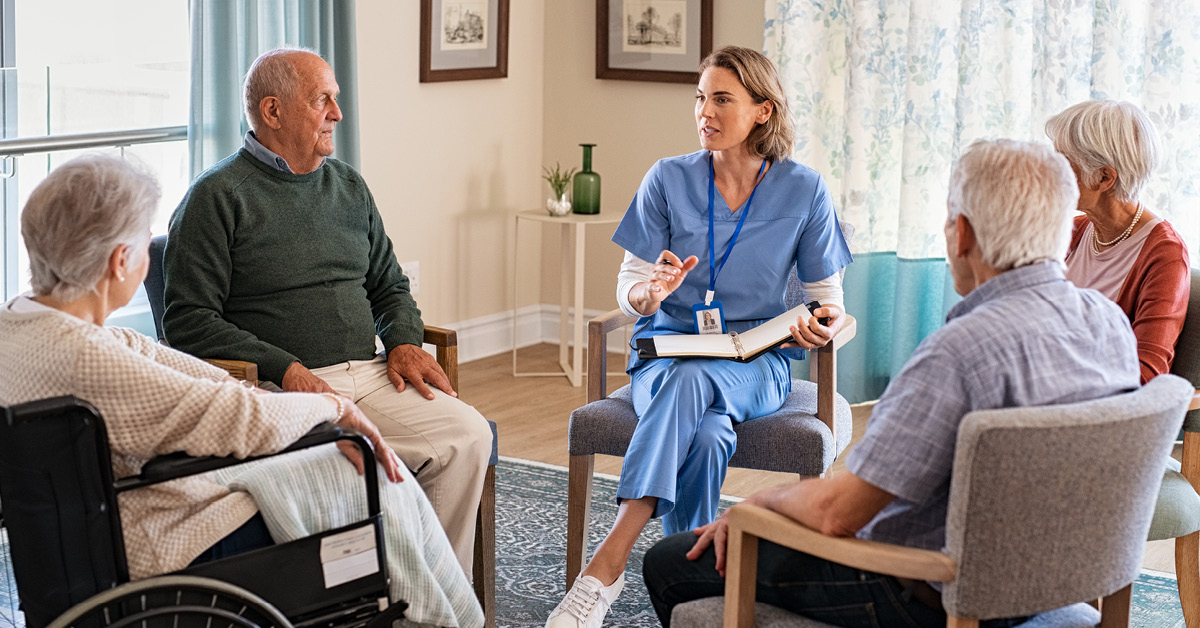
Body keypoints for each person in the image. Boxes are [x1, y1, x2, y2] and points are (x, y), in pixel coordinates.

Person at [640, 139, 1141, 627]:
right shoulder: (1110, 326)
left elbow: (839, 515)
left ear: (961, 233)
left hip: (917, 590)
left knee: (670, 562)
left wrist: (755, 506)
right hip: (1044, 585)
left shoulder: (957, 353)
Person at [0, 155, 483, 627]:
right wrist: (330, 406)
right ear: (121, 260)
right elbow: (230, 417)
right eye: (144, 240)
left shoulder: (22, 325)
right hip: (156, 540)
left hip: (67, 548)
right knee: (366, 476)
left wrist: (297, 405)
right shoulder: (88, 357)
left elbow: (188, 375)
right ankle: (440, 618)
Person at [545, 46, 853, 628]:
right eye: (699, 97)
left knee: (697, 385)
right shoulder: (668, 177)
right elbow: (631, 287)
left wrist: (818, 325)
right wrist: (651, 295)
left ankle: (604, 570)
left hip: (756, 365)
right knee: (708, 435)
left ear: (763, 111)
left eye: (721, 99)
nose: (704, 111)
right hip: (665, 356)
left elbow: (829, 300)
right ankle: (689, 585)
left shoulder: (803, 189)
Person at [162, 47, 492, 572]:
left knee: (468, 435)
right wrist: (285, 370)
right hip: (280, 390)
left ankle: (434, 597)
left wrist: (404, 339)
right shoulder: (216, 197)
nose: (337, 113)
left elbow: (388, 282)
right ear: (272, 112)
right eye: (323, 100)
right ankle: (364, 592)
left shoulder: (348, 186)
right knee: (346, 467)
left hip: (372, 372)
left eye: (335, 99)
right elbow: (187, 319)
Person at [1045, 100, 1189, 383]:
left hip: (1095, 412)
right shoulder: (1071, 231)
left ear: (1104, 177)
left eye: (1060, 163)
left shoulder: (1165, 255)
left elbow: (1146, 372)